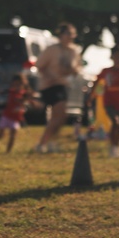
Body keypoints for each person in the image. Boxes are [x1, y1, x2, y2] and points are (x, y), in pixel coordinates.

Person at [32, 23, 82, 153]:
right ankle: (43, 143)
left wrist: (73, 70)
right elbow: (39, 66)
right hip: (50, 85)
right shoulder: (51, 49)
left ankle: (49, 142)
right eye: (68, 34)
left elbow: (77, 68)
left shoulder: (74, 51)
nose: (71, 37)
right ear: (61, 35)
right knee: (59, 114)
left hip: (64, 84)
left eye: (73, 34)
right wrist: (50, 76)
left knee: (60, 117)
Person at [0, 73, 37, 154]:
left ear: (23, 84)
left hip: (16, 118)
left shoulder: (24, 93)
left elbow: (32, 102)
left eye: (19, 84)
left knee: (13, 136)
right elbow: (18, 100)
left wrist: (31, 99)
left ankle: (8, 152)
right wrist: (27, 98)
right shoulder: (12, 92)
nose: (17, 86)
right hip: (6, 116)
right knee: (0, 135)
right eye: (15, 84)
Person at [93, 46, 119, 157]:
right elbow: (96, 85)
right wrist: (91, 97)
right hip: (109, 102)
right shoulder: (106, 71)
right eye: (116, 55)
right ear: (112, 57)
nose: (118, 58)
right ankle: (113, 146)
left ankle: (116, 146)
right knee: (115, 122)